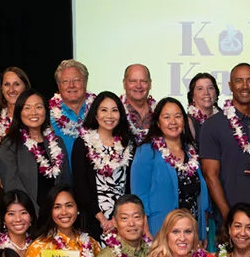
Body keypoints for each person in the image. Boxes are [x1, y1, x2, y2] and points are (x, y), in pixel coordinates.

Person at [201, 62, 250, 228]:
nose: (245, 86)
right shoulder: (213, 126)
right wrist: (228, 218)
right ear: (230, 85)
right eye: (239, 81)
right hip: (231, 222)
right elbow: (210, 175)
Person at [130, 97, 211, 242]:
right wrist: (145, 229)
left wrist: (202, 230)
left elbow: (201, 194)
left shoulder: (191, 152)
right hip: (160, 231)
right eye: (166, 117)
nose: (173, 122)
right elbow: (139, 195)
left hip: (191, 232)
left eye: (178, 116)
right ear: (158, 123)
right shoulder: (147, 151)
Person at [71, 90, 136, 239]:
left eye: (114, 110)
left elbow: (131, 184)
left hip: (124, 220)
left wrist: (117, 219)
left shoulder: (129, 144)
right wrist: (102, 219)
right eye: (104, 110)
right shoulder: (83, 144)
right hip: (93, 218)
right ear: (95, 114)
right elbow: (80, 186)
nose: (109, 116)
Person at [0, 88, 72, 210]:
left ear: (45, 111)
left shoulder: (57, 142)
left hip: (57, 215)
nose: (33, 112)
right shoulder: (9, 146)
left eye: (38, 107)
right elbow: (12, 188)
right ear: (19, 112)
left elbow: (66, 182)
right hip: (27, 215)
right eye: (27, 108)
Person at [24, 185, 101, 257]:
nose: (64, 212)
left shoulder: (92, 244)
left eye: (69, 206)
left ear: (77, 209)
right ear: (50, 212)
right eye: (57, 207)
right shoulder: (38, 247)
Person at [49, 59, 95, 156]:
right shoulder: (47, 114)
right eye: (65, 81)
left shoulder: (99, 110)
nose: (71, 85)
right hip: (60, 170)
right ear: (58, 85)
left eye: (76, 80)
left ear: (85, 82)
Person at [0, 66, 30, 149]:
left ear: (25, 88)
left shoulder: (35, 118)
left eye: (16, 84)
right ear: (2, 89)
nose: (11, 90)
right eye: (7, 84)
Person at [0, 190, 35, 256]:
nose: (18, 219)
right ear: (3, 219)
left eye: (23, 213)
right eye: (11, 214)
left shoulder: (40, 247)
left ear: (31, 217)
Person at [122, 63, 156, 143]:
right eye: (133, 81)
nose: (138, 86)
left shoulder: (160, 112)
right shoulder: (115, 111)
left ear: (150, 84)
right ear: (124, 83)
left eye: (143, 81)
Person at [186, 71, 221, 142]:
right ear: (192, 95)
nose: (206, 93)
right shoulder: (187, 122)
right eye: (200, 89)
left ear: (216, 93)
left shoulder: (225, 118)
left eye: (210, 88)